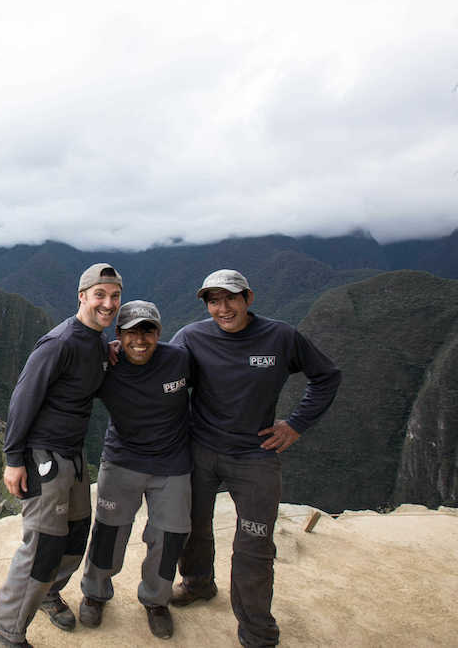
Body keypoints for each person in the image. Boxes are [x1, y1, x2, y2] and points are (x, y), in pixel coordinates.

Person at [169, 269, 341, 647]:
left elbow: (326, 375)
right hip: (201, 449)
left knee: (254, 545)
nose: (223, 308)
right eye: (214, 300)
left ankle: (257, 631)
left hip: (255, 455)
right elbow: (160, 377)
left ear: (248, 298)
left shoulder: (280, 337)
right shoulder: (192, 338)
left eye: (230, 298)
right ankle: (197, 584)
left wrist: (295, 425)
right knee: (191, 527)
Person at [0, 263, 123, 648]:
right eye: (100, 295)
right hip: (44, 457)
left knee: (76, 537)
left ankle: (47, 592)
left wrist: (116, 349)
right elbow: (22, 400)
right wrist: (13, 460)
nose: (108, 303)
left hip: (74, 457)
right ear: (82, 296)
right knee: (43, 547)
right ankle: (7, 628)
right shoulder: (59, 343)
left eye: (114, 296)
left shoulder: (96, 342)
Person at [78, 300, 192, 640]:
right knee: (109, 532)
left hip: (172, 463)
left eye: (148, 331)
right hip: (122, 461)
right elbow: (66, 396)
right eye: (131, 333)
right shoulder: (105, 366)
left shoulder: (180, 360)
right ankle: (95, 593)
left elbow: (216, 394)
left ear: (159, 333)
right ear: (119, 335)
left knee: (169, 537)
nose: (139, 340)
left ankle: (156, 600)